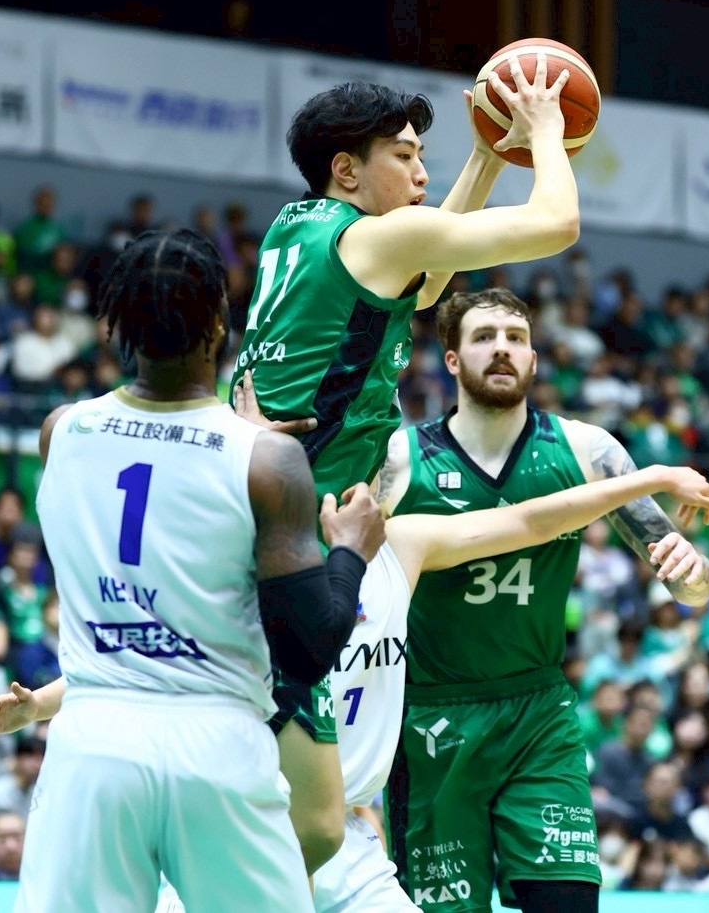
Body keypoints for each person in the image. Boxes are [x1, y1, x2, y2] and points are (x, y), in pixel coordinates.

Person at [0, 427, 709, 908]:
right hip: (248, 827)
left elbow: (532, 519)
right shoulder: (258, 565)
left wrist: (649, 476)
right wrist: (40, 704)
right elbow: (169, 651)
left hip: (351, 841)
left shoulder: (406, 544)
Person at [231, 57, 583, 878]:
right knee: (310, 825)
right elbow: (557, 222)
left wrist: (486, 157)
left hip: (262, 515)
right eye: (403, 154)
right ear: (346, 169)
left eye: (424, 154)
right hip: (293, 537)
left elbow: (423, 289)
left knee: (303, 814)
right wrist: (545, 130)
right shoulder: (377, 236)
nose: (421, 171)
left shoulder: (297, 226)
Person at [12, 228, 384, 913]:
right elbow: (307, 652)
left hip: (94, 737)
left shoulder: (60, 431)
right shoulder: (264, 461)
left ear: (113, 327)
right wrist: (350, 552)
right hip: (216, 743)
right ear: (217, 324)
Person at [376, 289, 709, 913]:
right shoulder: (400, 461)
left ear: (534, 359)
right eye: (483, 337)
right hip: (431, 717)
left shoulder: (588, 451)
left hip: (538, 712)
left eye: (516, 337)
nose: (501, 348)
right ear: (452, 360)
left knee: (567, 902)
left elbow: (691, 587)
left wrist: (694, 572)